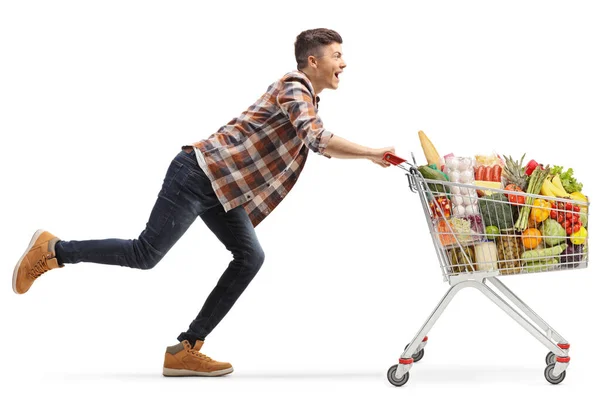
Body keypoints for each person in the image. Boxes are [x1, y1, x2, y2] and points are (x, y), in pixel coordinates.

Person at [12, 28, 397, 377]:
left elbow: (312, 139)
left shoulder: (307, 97)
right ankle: (54, 250)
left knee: (250, 257)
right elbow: (317, 139)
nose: (343, 63)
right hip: (198, 175)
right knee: (145, 254)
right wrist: (371, 153)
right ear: (313, 61)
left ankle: (187, 348)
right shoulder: (295, 86)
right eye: (337, 55)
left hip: (223, 189)